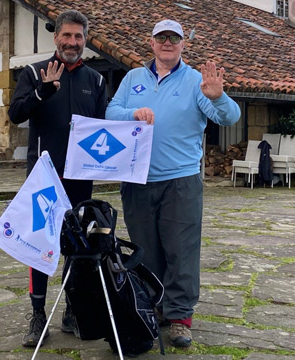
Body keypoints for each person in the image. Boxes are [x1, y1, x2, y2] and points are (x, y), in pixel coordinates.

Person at [105, 19, 240, 348]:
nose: (167, 42)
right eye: (161, 37)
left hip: (181, 180)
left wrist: (219, 97)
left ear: (182, 44)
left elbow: (229, 117)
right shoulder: (133, 77)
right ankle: (154, 308)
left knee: (181, 251)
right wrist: (133, 114)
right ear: (151, 43)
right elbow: (111, 111)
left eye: (174, 38)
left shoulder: (197, 81)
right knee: (145, 250)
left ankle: (180, 317)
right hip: (137, 178)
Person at [7, 9, 107, 347]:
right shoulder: (35, 73)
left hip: (80, 178)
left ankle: (71, 311)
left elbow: (103, 130)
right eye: (67, 36)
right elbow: (15, 113)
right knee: (40, 246)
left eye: (78, 37)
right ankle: (38, 315)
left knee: (77, 247)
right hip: (44, 178)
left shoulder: (96, 80)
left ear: (85, 40)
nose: (72, 42)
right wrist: (43, 91)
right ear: (56, 38)